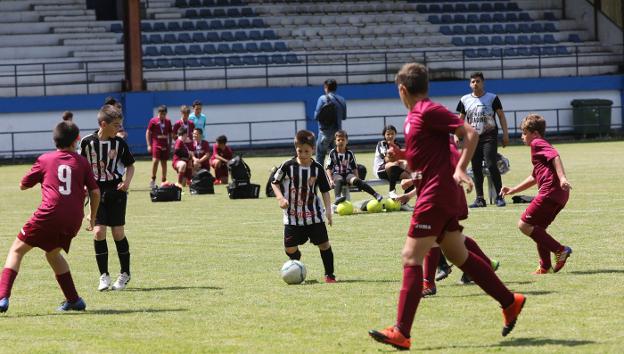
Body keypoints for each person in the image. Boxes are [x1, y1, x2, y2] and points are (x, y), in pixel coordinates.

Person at [368, 63, 525, 350]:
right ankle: (509, 301)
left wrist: (460, 169)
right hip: (434, 191)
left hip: (436, 195)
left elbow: (470, 134)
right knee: (458, 253)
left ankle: (402, 331)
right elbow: (423, 158)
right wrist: (404, 156)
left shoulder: (428, 110)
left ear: (402, 89)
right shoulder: (414, 117)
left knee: (410, 256)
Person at [0, 121, 100, 313]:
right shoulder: (82, 162)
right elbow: (95, 192)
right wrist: (93, 216)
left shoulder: (46, 159)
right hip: (73, 218)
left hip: (49, 213)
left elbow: (23, 185)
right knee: (53, 253)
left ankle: (2, 297)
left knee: (16, 250)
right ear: (76, 140)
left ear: (55, 140)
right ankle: (74, 300)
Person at [500, 114, 572, 274]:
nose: (522, 137)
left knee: (524, 225)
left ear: (536, 134)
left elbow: (555, 156)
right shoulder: (539, 149)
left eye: (525, 133)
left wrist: (562, 178)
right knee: (538, 228)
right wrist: (513, 190)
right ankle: (545, 266)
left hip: (550, 191)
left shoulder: (537, 143)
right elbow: (534, 177)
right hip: (560, 195)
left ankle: (560, 250)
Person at [81, 105, 135, 291]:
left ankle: (125, 273)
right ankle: (103, 276)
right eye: (116, 125)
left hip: (116, 190)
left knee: (118, 233)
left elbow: (130, 166)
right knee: (98, 232)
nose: (119, 129)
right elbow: (80, 167)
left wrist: (127, 182)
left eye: (120, 125)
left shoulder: (119, 143)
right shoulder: (87, 143)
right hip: (96, 190)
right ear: (103, 124)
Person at [270, 130, 337, 283]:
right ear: (296, 149)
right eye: (300, 151)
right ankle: (296, 263)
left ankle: (330, 275)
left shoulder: (318, 168)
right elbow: (275, 183)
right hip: (292, 216)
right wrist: (280, 198)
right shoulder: (287, 166)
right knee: (290, 248)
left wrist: (328, 211)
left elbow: (325, 191)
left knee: (324, 244)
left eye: (307, 151)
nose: (303, 154)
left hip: (314, 215)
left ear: (313, 149)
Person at [457, 72, 509, 208]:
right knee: (475, 168)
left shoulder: (492, 98)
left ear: (483, 83)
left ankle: (499, 196)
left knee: (491, 164)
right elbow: (460, 120)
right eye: (473, 81)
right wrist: (456, 135)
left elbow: (501, 116)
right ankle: (480, 199)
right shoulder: (464, 99)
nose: (475, 84)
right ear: (470, 84)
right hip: (472, 138)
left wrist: (505, 134)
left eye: (478, 81)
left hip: (489, 136)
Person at [326, 130, 383, 205]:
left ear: (347, 141)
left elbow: (354, 167)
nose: (341, 141)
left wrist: (357, 177)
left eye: (343, 140)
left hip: (347, 174)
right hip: (337, 174)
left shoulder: (350, 153)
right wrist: (330, 180)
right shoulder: (332, 153)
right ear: (335, 141)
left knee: (356, 180)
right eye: (338, 140)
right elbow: (328, 168)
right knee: (339, 180)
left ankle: (375, 194)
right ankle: (337, 197)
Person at [314, 78, 347, 165]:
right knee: (336, 157)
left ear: (326, 87)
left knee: (320, 156)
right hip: (338, 135)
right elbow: (344, 117)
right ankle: (337, 176)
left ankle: (320, 176)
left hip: (324, 133)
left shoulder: (322, 98)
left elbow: (316, 116)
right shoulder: (342, 99)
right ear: (336, 87)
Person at [373, 125, 411, 198]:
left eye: (392, 134)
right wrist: (397, 160)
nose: (390, 136)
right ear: (384, 135)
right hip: (381, 170)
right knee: (391, 165)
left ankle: (405, 200)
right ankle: (392, 191)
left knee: (409, 176)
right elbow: (387, 160)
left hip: (394, 170)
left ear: (395, 135)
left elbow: (401, 160)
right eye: (388, 134)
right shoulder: (382, 144)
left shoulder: (397, 145)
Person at [146, 105, 173, 189]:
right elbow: (148, 132)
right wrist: (149, 145)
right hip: (156, 144)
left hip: (165, 145)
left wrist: (170, 144)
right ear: (158, 113)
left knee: (164, 162)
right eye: (161, 114)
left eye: (164, 114)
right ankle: (153, 180)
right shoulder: (153, 121)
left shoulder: (168, 121)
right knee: (155, 161)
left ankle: (164, 181)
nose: (163, 116)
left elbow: (170, 134)